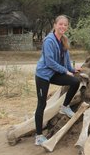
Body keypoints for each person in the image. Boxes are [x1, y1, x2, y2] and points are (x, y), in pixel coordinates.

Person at [34, 15, 81, 146]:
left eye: (65, 25)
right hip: (43, 75)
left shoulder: (64, 40)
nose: (63, 27)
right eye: (60, 24)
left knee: (75, 82)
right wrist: (64, 71)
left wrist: (71, 70)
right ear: (55, 25)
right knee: (41, 104)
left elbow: (65, 60)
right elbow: (49, 62)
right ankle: (38, 136)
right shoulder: (49, 40)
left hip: (54, 73)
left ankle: (65, 107)